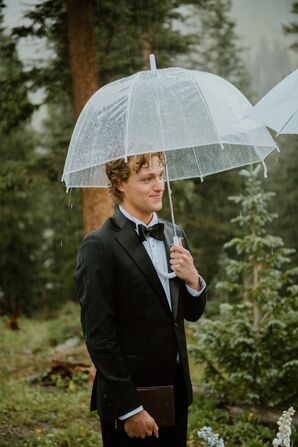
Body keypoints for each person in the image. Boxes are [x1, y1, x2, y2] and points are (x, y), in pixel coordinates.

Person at [75, 152, 207, 447]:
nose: (159, 185)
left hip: (174, 390)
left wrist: (193, 279)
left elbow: (191, 313)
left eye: (160, 175)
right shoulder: (99, 245)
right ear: (121, 182)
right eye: (147, 178)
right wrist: (130, 408)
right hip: (130, 397)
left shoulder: (175, 234)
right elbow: (99, 335)